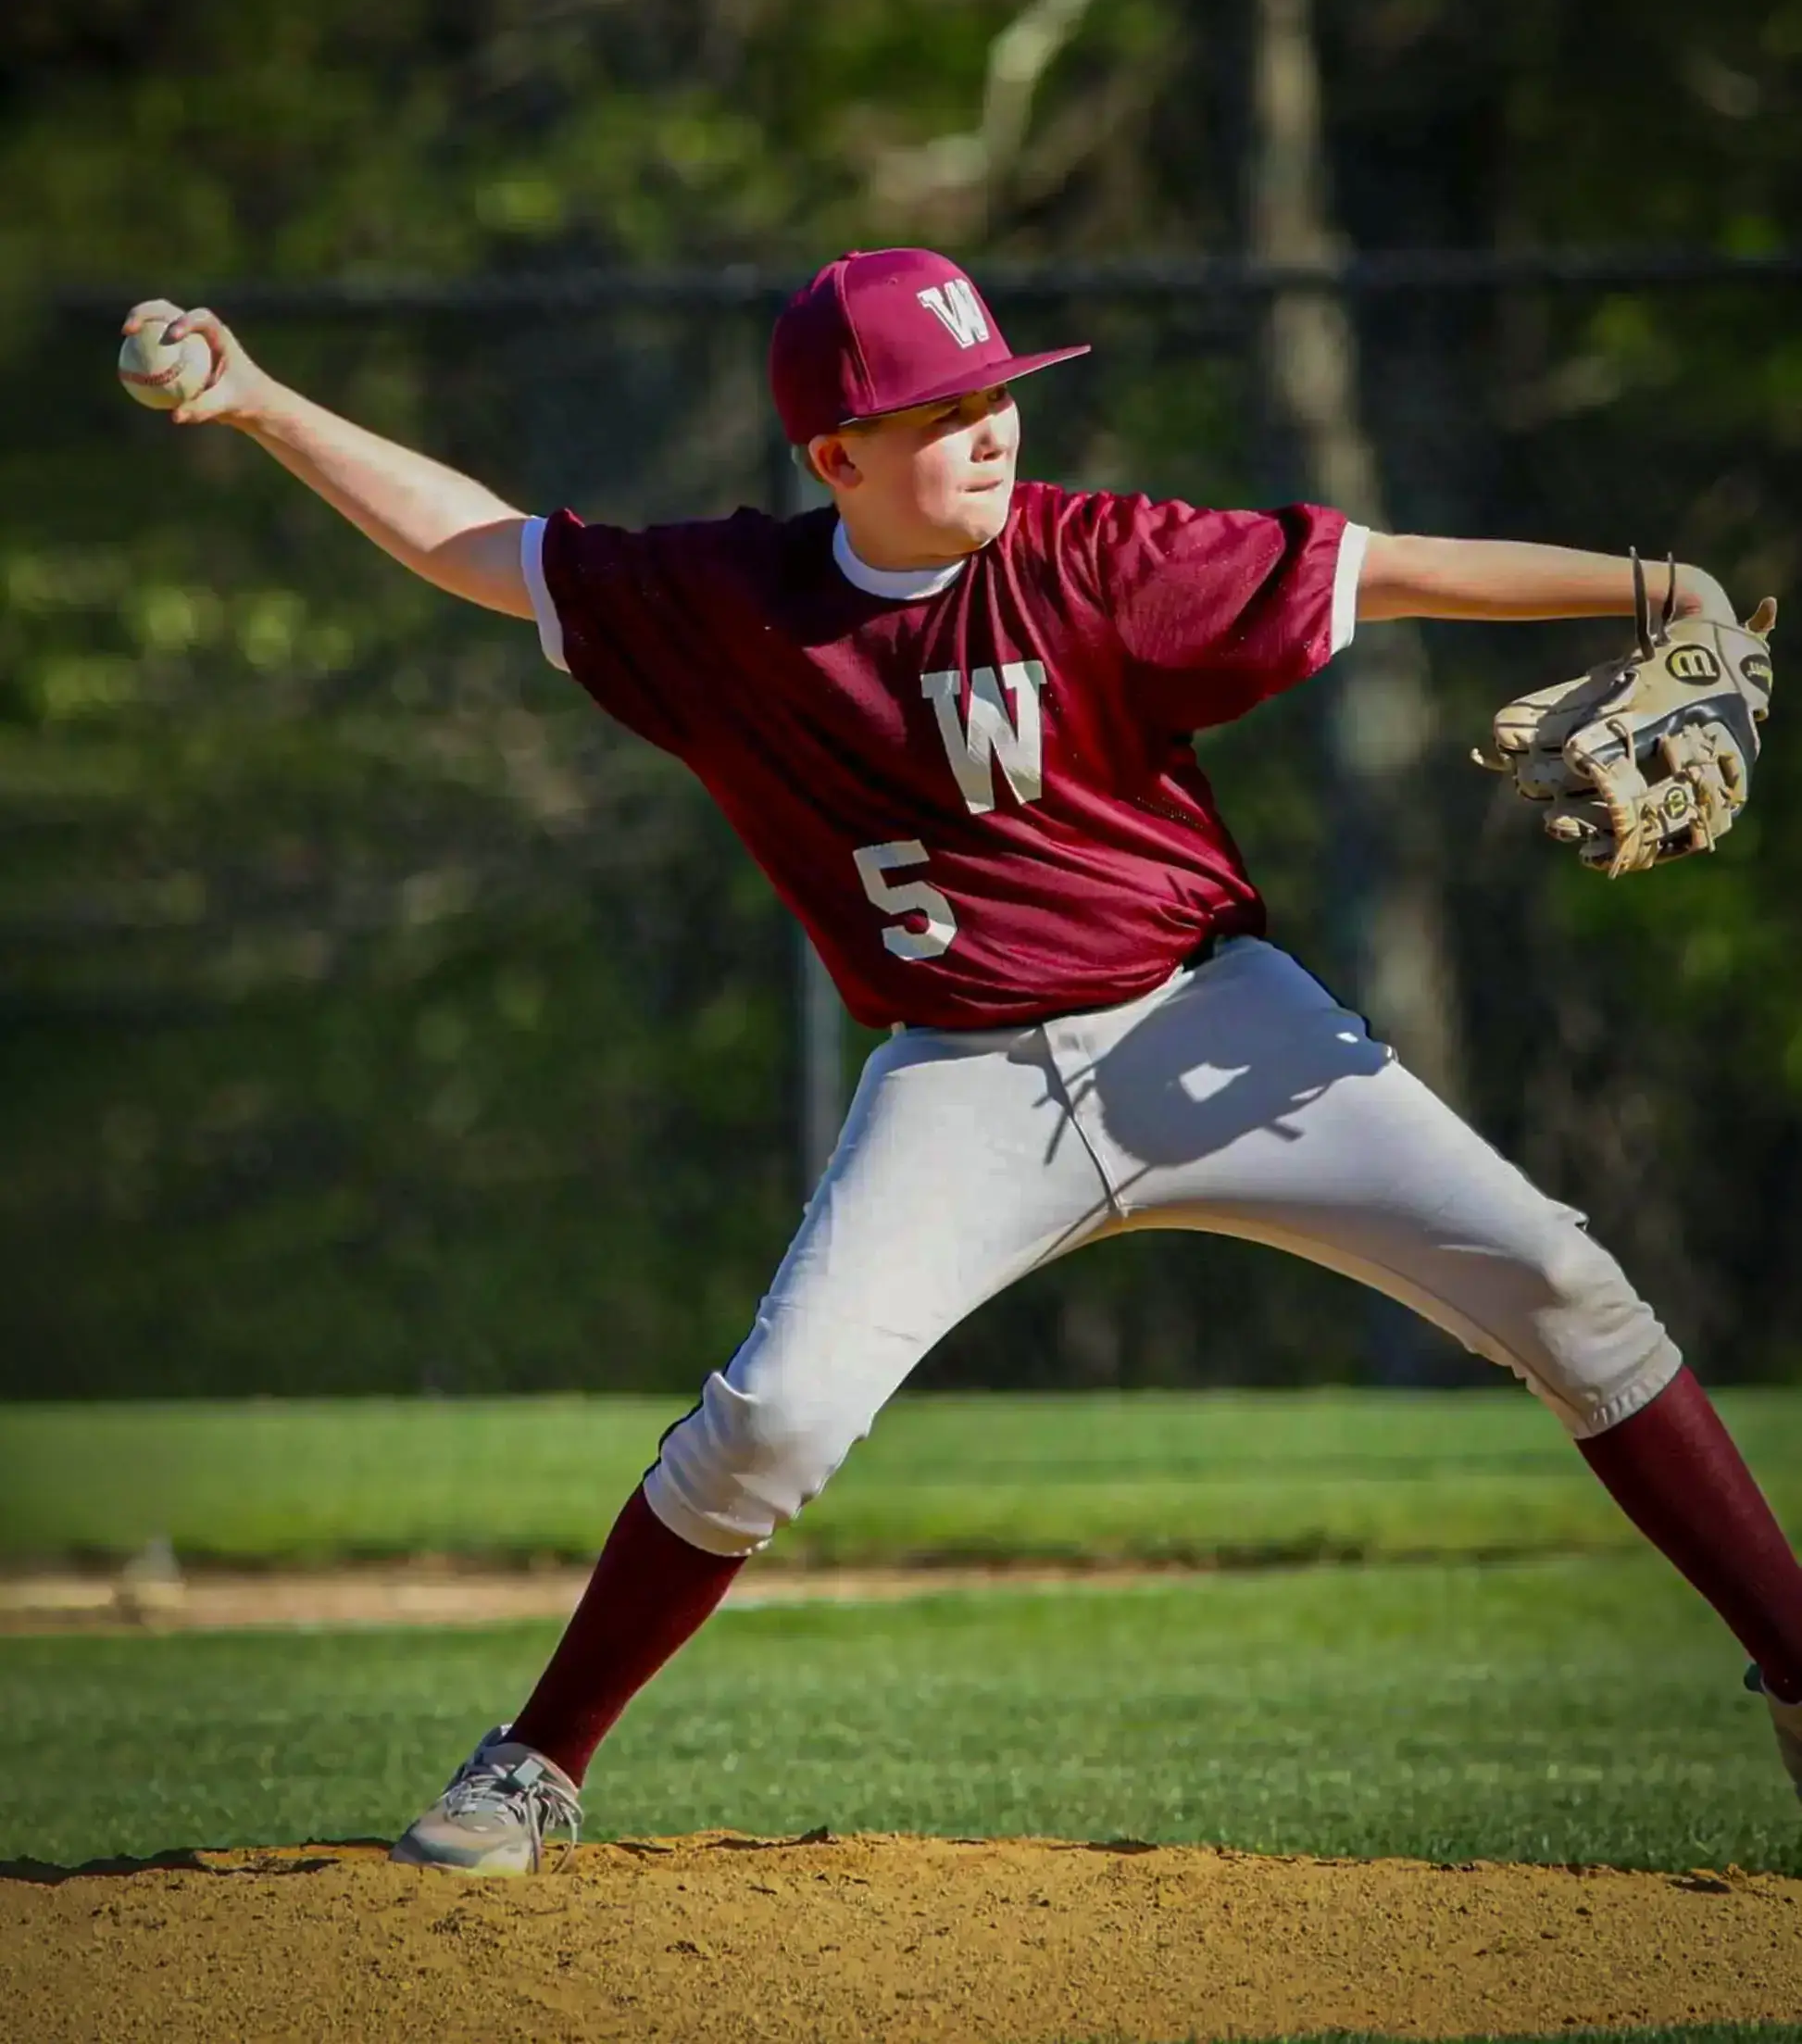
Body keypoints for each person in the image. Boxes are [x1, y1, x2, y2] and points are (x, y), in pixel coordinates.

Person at [123, 249, 1802, 1873]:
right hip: (964, 1083)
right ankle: (535, 1761)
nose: (992, 426)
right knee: (771, 1422)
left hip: (1208, 1022)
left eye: (1000, 391)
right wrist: (263, 398)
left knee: (1564, 1291)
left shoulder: (1100, 555)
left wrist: (1662, 590)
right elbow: (477, 545)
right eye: (943, 412)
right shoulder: (726, 605)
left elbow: (1390, 564)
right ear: (837, 458)